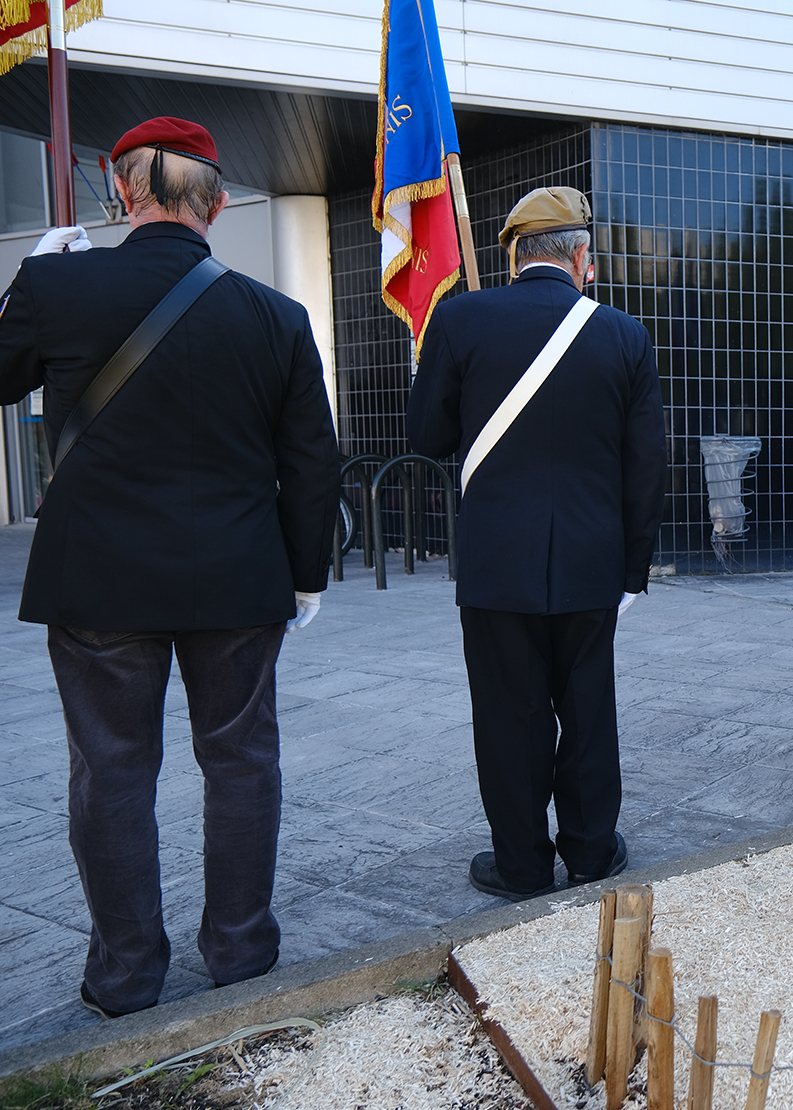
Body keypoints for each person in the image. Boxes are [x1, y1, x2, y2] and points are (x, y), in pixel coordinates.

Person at [0, 117, 342, 1018]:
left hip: (99, 581)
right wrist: (306, 574)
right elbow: (313, 462)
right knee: (242, 762)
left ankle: (125, 976)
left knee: (110, 771)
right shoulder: (276, 314)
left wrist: (27, 279)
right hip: (237, 578)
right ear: (217, 205)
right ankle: (241, 949)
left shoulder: (56, 286)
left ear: (121, 192)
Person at [408, 186, 664, 903]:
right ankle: (589, 852)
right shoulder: (624, 334)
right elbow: (647, 465)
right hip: (591, 559)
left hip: (497, 560)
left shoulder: (459, 318)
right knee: (587, 709)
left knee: (507, 714)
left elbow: (426, 435)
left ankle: (520, 865)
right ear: (582, 256)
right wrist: (633, 568)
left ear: (515, 255)